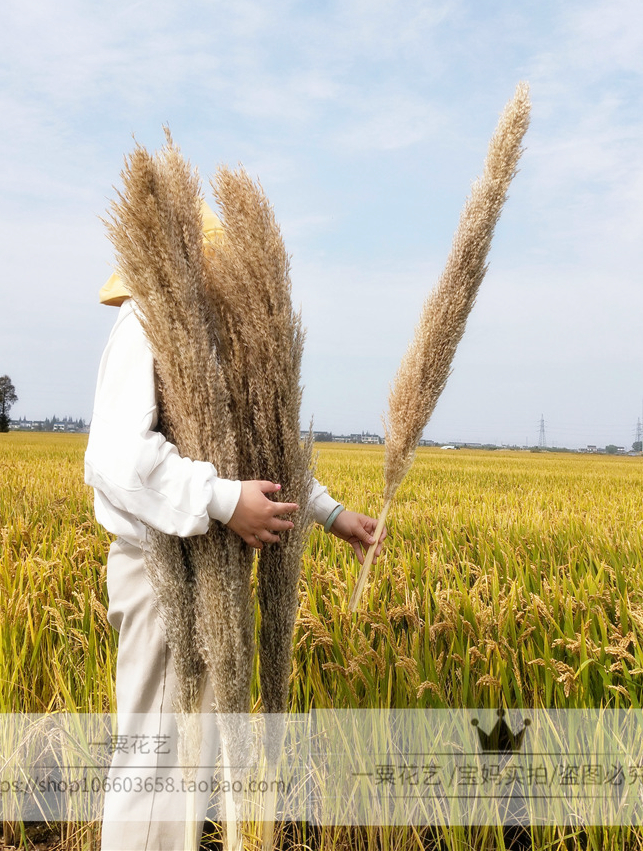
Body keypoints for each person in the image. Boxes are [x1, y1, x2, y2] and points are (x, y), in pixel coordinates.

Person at [85, 204, 386, 850]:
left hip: (212, 577)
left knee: (190, 761)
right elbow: (116, 458)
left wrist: (330, 514)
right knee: (157, 759)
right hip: (159, 572)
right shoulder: (150, 321)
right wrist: (223, 500)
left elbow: (260, 451)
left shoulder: (214, 337)